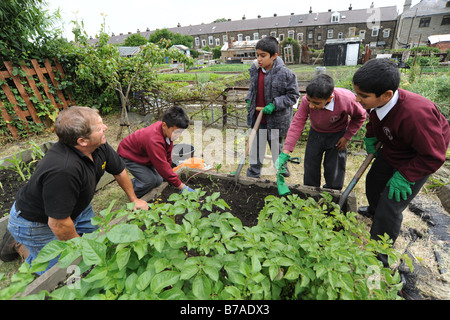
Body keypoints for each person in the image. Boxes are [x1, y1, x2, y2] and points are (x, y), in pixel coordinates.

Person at [3, 106, 148, 273]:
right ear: (82, 141)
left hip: (77, 208)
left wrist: (134, 199)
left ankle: (32, 251)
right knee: (63, 268)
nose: (105, 128)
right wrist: (81, 248)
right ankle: (24, 250)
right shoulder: (64, 169)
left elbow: (118, 170)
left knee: (94, 243)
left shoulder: (98, 145)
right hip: (37, 223)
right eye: (100, 127)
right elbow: (58, 223)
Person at [352, 58, 450, 266]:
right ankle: (374, 212)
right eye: (357, 93)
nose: (358, 100)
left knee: (391, 203)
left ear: (386, 94)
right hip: (396, 146)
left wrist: (406, 176)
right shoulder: (377, 102)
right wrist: (371, 136)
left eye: (363, 96)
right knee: (374, 181)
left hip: (420, 157)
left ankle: (380, 253)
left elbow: (434, 155)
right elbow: (375, 119)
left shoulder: (416, 114)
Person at [279, 74, 366, 190]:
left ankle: (332, 194)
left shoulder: (347, 99)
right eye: (309, 100)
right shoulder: (307, 100)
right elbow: (297, 123)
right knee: (311, 166)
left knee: (334, 168)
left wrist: (347, 137)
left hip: (337, 136)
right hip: (316, 134)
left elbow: (360, 116)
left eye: (316, 103)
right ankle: (310, 192)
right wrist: (286, 151)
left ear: (329, 99)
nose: (311, 105)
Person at [245, 36, 299, 178]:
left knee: (276, 148)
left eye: (263, 56)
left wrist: (274, 105)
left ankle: (281, 169)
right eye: (257, 55)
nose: (259, 59)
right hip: (258, 117)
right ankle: (254, 172)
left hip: (276, 120)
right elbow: (253, 89)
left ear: (274, 56)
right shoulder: (255, 71)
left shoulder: (286, 74)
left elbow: (293, 96)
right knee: (256, 148)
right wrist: (249, 99)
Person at [117, 106, 193, 197]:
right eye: (176, 132)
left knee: (159, 180)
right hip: (129, 155)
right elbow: (161, 166)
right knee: (149, 181)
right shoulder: (154, 140)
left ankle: (139, 181)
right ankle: (133, 193)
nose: (178, 135)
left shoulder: (167, 131)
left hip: (145, 155)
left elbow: (167, 154)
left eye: (181, 132)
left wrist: (168, 172)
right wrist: (182, 187)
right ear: (164, 125)